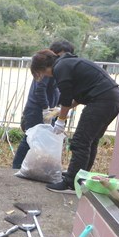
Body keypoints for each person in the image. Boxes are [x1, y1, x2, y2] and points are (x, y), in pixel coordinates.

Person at [30, 49, 119, 194]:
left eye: (41, 73)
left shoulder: (60, 68)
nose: (45, 77)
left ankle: (70, 183)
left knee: (80, 142)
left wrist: (61, 120)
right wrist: (60, 111)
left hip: (102, 100)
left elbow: (66, 97)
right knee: (90, 141)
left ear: (43, 68)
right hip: (112, 98)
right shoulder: (67, 63)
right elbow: (78, 97)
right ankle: (80, 177)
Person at [12, 41, 74, 169]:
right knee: (30, 138)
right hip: (37, 109)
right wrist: (45, 108)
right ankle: (17, 166)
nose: (62, 59)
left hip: (48, 110)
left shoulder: (57, 68)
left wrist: (57, 107)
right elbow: (40, 89)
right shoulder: (47, 68)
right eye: (60, 55)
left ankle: (33, 167)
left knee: (40, 139)